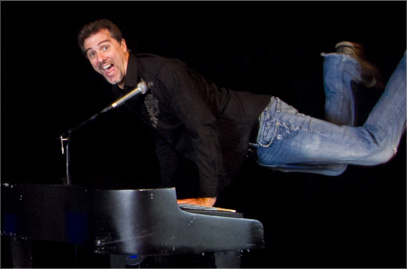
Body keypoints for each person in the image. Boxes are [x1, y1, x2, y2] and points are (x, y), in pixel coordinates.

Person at [77, 19, 406, 207]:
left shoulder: (163, 73)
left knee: (376, 147)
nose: (98, 57)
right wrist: (168, 202)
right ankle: (340, 68)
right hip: (261, 149)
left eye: (104, 46)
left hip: (270, 126)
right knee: (337, 164)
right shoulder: (126, 90)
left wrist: (208, 195)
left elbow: (202, 127)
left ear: (123, 46)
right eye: (91, 53)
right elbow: (167, 143)